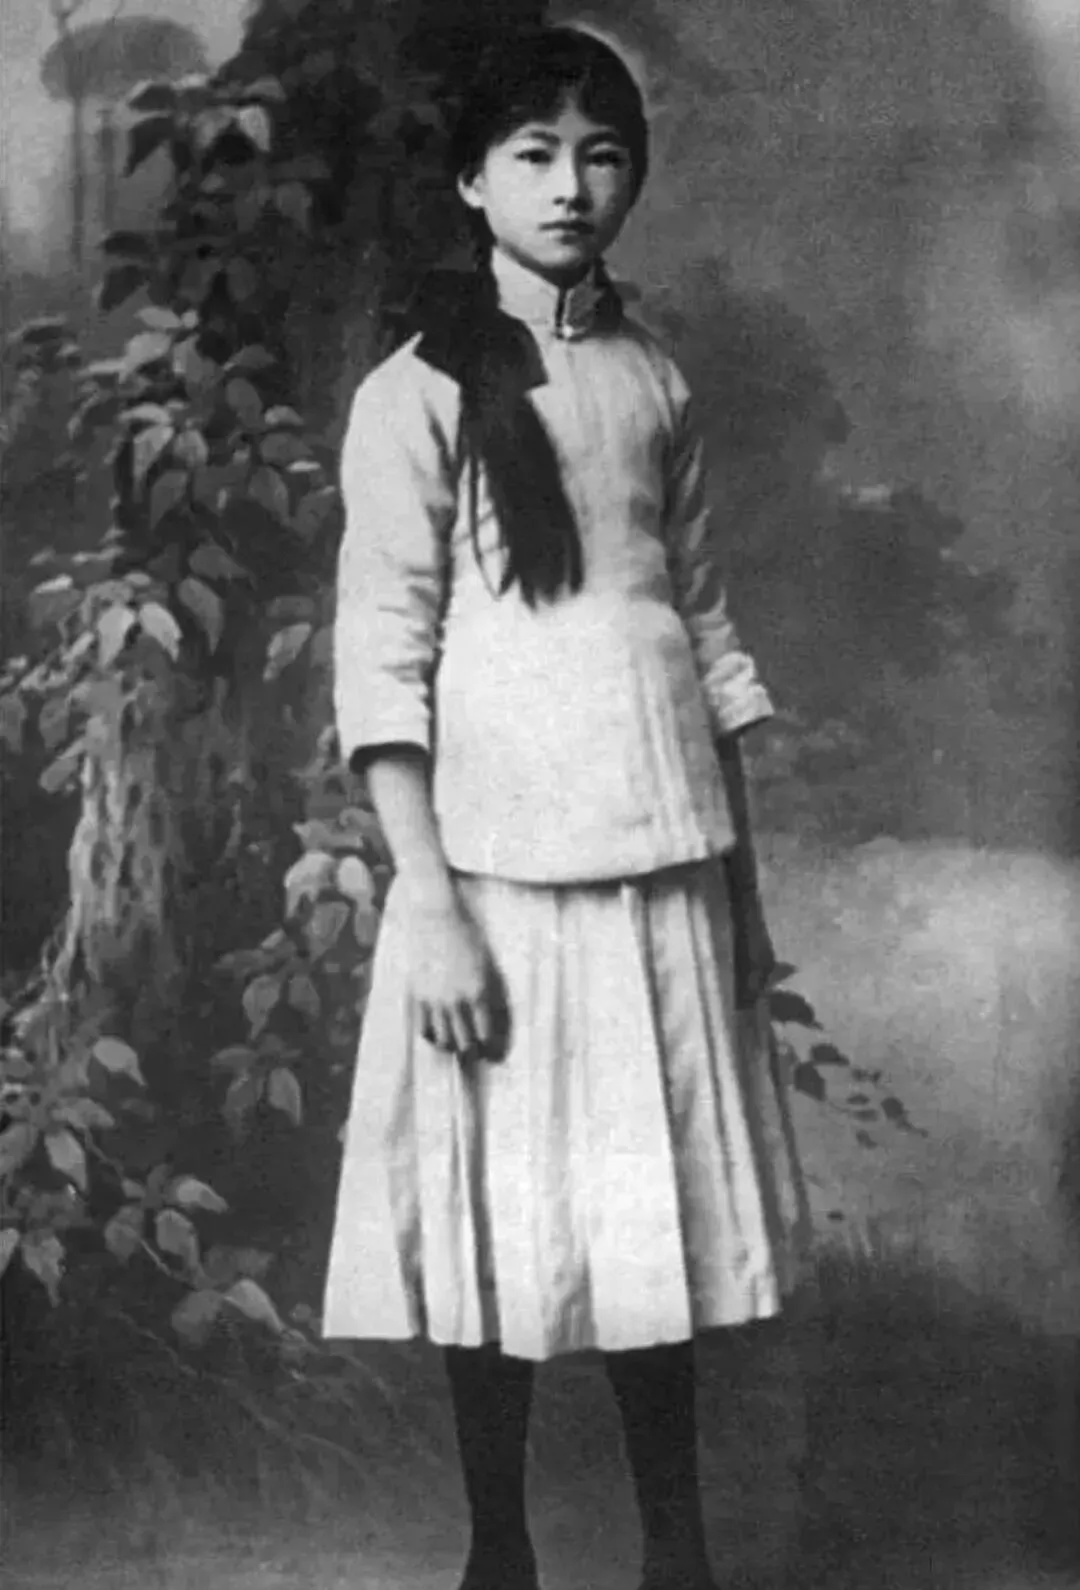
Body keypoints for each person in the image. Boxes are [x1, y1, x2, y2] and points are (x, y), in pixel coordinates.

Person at [323, 24, 807, 1590]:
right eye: (533, 153)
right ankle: (500, 1551)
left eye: (602, 154)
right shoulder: (413, 396)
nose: (571, 185)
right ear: (473, 181)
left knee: (649, 1199)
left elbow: (705, 627)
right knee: (501, 1208)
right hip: (495, 872)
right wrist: (430, 904)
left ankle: (679, 1552)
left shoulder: (655, 377)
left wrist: (743, 890)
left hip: (660, 849)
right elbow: (384, 662)